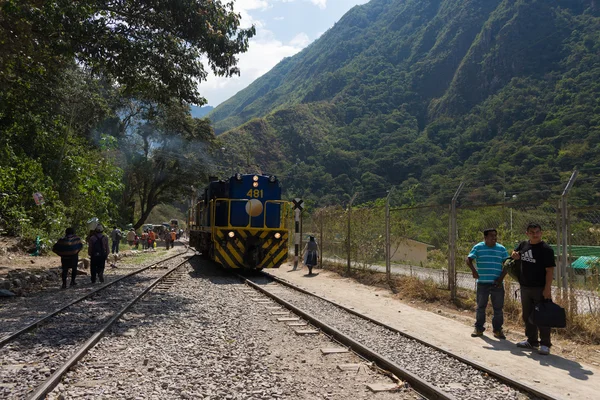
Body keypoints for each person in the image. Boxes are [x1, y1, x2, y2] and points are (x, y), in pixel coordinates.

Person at [511, 223, 556, 355]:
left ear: (541, 233)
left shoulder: (546, 249)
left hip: (539, 288)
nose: (535, 234)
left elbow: (549, 271)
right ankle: (532, 341)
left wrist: (547, 289)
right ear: (527, 233)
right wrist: (514, 253)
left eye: (537, 232)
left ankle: (545, 344)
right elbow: (515, 252)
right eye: (532, 232)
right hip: (525, 287)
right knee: (527, 315)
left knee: (542, 316)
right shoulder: (524, 245)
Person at [466, 228, 509, 339]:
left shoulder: (501, 249)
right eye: (491, 236)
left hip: (497, 284)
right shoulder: (478, 247)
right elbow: (468, 259)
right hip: (483, 283)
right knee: (481, 307)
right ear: (485, 237)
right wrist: (474, 271)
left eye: (495, 236)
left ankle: (498, 330)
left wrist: (500, 279)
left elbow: (508, 265)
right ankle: (479, 329)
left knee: (498, 308)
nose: (494, 238)